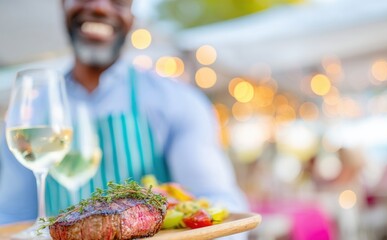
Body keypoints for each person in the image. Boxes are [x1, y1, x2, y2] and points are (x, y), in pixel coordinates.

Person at [0, 0, 248, 233]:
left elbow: (219, 204)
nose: (99, 7)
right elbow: (13, 218)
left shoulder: (178, 102)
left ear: (132, 17)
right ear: (63, 4)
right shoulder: (28, 113)